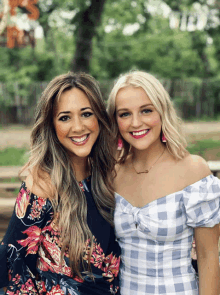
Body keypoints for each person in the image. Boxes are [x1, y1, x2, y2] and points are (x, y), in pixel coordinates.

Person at [0, 72, 120, 295]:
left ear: (99, 119)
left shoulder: (109, 177)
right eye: (64, 117)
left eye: (86, 114)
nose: (77, 127)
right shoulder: (42, 185)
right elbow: (15, 264)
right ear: (52, 126)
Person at [107, 70, 220, 295]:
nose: (136, 122)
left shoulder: (193, 170)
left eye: (146, 110)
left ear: (162, 111)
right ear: (115, 120)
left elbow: (208, 258)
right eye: (125, 114)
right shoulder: (112, 172)